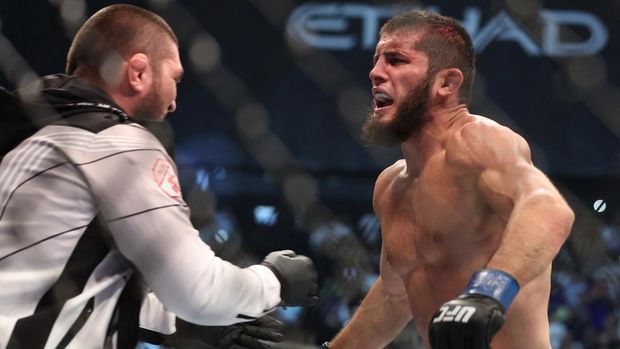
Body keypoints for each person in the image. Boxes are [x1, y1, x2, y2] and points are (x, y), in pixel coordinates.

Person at [0, 4, 318, 349]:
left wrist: (174, 322)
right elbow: (198, 289)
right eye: (174, 78)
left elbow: (49, 283)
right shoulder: (119, 144)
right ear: (137, 72)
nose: (174, 102)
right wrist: (275, 281)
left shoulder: (30, 137)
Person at [323, 10, 575, 349]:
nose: (375, 72)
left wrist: (488, 292)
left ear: (446, 83)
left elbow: (549, 210)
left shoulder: (478, 142)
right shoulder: (390, 187)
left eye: (396, 60)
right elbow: (395, 296)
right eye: (377, 59)